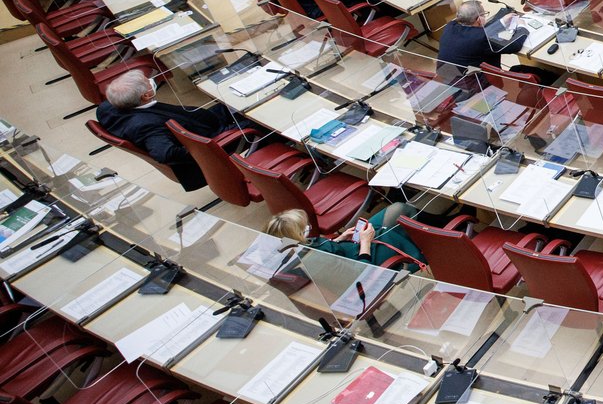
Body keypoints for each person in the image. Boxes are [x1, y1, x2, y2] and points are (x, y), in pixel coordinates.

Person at [94, 69, 242, 191]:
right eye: (148, 82)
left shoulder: (107, 108)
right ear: (146, 95)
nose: (151, 81)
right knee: (257, 122)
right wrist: (207, 147)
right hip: (215, 139)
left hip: (198, 123)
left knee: (234, 99)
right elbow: (165, 153)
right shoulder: (146, 126)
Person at [266, 205, 421, 272]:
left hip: (352, 247)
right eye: (302, 228)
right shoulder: (316, 260)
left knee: (400, 209)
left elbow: (328, 251)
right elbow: (361, 272)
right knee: (400, 224)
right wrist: (366, 242)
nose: (308, 226)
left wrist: (338, 240)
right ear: (296, 236)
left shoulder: (298, 250)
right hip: (367, 258)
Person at [437, 0, 528, 80]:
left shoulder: (450, 26)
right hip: (473, 86)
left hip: (447, 80)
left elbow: (476, 32)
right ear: (480, 19)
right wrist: (522, 27)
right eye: (484, 14)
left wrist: (501, 22)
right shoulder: (479, 38)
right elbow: (514, 46)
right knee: (521, 69)